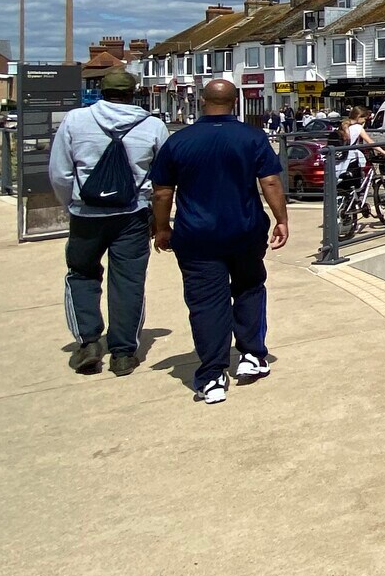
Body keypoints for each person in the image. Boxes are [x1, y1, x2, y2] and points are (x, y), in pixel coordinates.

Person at [149, 79, 288, 405]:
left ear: (201, 101)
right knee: (249, 288)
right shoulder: (252, 137)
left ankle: (212, 377)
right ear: (236, 102)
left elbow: (161, 192)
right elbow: (270, 181)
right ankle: (252, 355)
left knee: (205, 303)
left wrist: (161, 228)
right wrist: (281, 219)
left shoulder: (179, 141)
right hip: (245, 231)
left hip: (196, 236)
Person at [49, 69, 167, 376]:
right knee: (128, 281)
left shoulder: (75, 120)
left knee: (81, 274)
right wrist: (159, 220)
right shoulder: (153, 126)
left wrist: (71, 204)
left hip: (86, 213)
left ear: (101, 91)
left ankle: (88, 342)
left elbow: (60, 172)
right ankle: (124, 352)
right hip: (133, 213)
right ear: (134, 93)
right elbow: (162, 181)